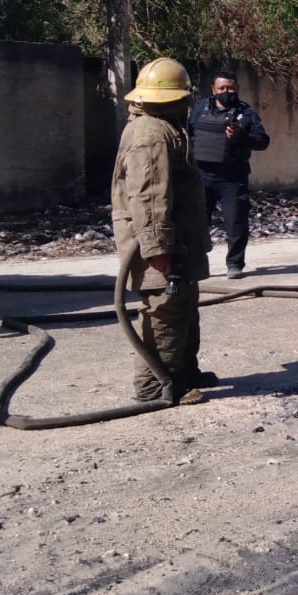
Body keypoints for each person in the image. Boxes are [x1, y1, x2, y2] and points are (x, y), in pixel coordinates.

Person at [112, 58, 216, 404]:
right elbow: (150, 195)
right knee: (164, 309)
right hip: (161, 243)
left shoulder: (162, 127)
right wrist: (158, 250)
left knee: (183, 304)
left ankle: (184, 373)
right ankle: (156, 385)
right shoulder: (151, 135)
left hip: (179, 240)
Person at [189, 70, 270, 280]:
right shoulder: (200, 109)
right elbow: (187, 134)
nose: (226, 92)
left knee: (236, 223)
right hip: (202, 175)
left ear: (236, 89)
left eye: (230, 88)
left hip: (232, 177)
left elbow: (262, 141)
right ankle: (197, 264)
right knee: (197, 222)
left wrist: (242, 136)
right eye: (222, 88)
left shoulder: (246, 113)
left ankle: (234, 264)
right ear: (213, 90)